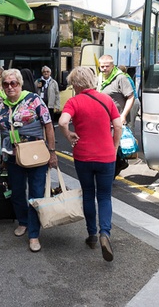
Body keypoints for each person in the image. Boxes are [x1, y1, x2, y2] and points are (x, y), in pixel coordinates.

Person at [58, 67, 122, 262]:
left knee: (88, 194)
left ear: (76, 84)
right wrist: (114, 146)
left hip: (83, 156)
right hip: (106, 156)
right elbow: (118, 125)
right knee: (104, 196)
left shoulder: (74, 101)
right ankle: (105, 233)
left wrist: (68, 136)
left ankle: (92, 235)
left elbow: (62, 122)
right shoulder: (106, 99)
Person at [0, 68, 57, 253]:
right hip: (14, 156)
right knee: (17, 191)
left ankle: (34, 234)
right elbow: (2, 132)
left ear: (20, 84)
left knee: (36, 194)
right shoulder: (1, 105)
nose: (9, 87)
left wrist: (52, 152)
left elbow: (48, 125)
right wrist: (4, 157)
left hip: (36, 154)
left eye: (13, 83)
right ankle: (23, 221)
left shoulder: (33, 100)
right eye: (6, 84)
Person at [97, 55, 135, 127]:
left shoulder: (120, 77)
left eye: (107, 66)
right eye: (102, 67)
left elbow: (131, 97)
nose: (104, 68)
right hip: (104, 119)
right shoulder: (100, 77)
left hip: (117, 121)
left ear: (112, 66)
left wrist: (123, 115)